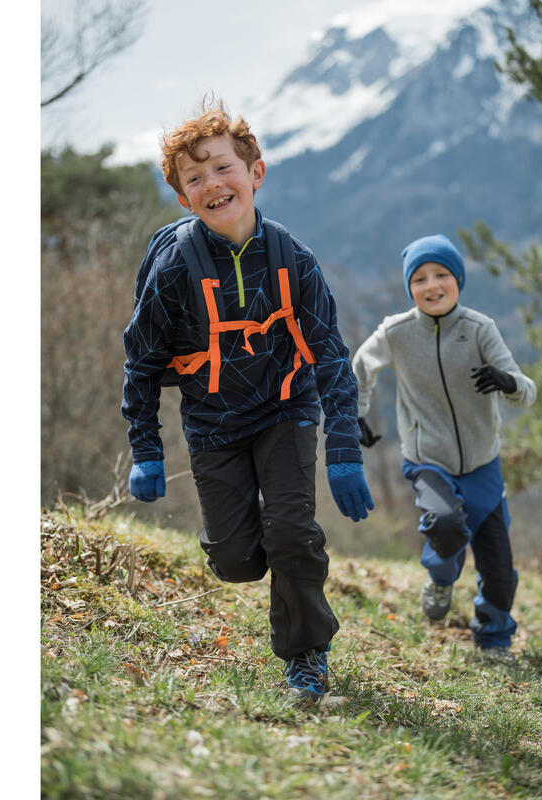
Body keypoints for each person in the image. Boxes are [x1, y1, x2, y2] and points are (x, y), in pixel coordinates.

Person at [121, 101, 373, 701]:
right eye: (194, 178)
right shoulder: (174, 272)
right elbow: (143, 363)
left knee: (291, 533)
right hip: (212, 422)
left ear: (255, 172)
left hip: (285, 409)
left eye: (222, 167)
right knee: (235, 560)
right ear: (184, 200)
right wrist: (146, 449)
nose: (212, 183)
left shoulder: (294, 261)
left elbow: (332, 359)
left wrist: (343, 453)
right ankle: (264, 545)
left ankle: (306, 654)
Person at [352, 234, 536, 664]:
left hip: (482, 461)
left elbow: (524, 392)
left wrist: (507, 382)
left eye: (441, 275)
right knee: (447, 525)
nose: (431, 285)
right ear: (409, 287)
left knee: (498, 567)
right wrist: (355, 414)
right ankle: (440, 578)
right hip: (427, 458)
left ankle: (493, 639)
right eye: (419, 279)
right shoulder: (396, 333)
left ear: (458, 280)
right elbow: (360, 366)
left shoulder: (479, 329)